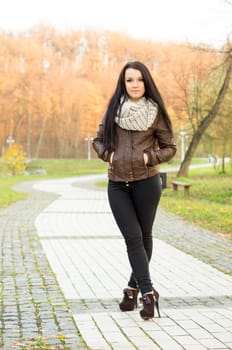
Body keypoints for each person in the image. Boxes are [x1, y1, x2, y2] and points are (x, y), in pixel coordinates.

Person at [92, 61, 177, 320]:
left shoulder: (155, 112)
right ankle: (148, 293)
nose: (135, 84)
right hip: (117, 184)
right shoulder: (113, 111)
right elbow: (97, 141)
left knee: (144, 237)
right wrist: (110, 154)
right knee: (133, 237)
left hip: (146, 182)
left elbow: (170, 147)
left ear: (145, 81)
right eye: (130, 80)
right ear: (124, 83)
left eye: (139, 79)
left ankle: (131, 290)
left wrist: (147, 158)